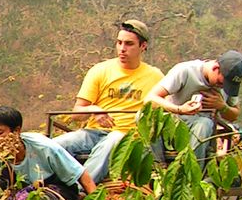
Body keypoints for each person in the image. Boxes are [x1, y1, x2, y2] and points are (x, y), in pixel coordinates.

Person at [52, 19, 164, 182]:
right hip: (94, 132)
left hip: (128, 136)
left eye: (129, 44)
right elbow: (77, 113)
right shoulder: (100, 70)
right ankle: (37, 186)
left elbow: (165, 112)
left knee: (114, 139)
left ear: (143, 46)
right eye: (119, 43)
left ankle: (82, 187)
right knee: (56, 145)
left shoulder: (155, 76)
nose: (122, 49)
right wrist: (94, 110)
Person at [144, 49, 242, 164]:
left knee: (204, 123)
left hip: (204, 131)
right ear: (215, 68)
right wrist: (180, 109)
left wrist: (222, 106)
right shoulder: (186, 71)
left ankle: (192, 171)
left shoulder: (227, 87)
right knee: (143, 116)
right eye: (221, 83)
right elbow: (150, 99)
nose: (223, 87)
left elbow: (234, 115)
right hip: (174, 124)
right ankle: (158, 167)